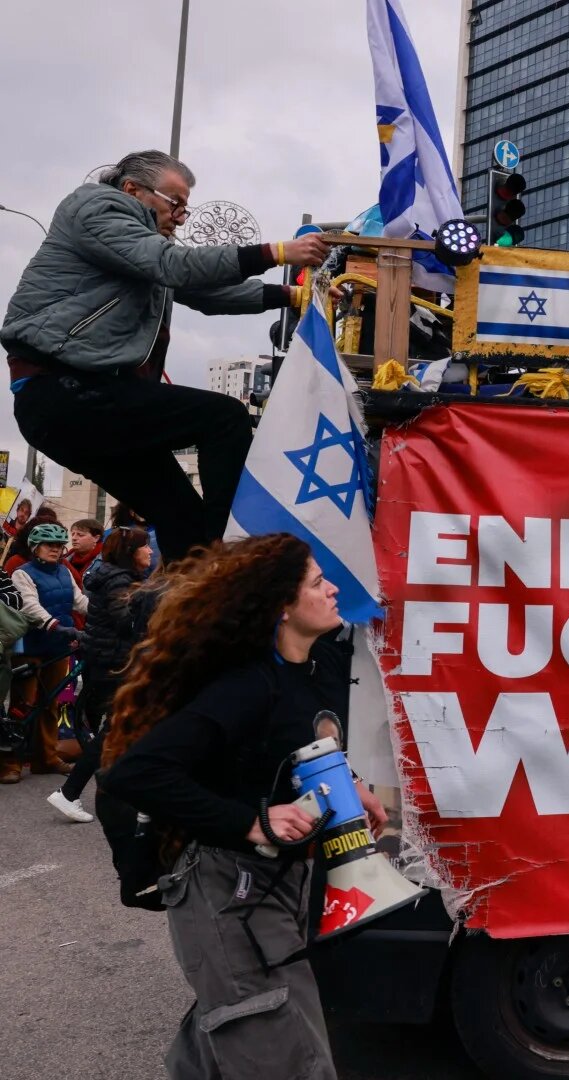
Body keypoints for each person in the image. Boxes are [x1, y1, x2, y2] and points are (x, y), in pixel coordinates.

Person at [100, 535, 381, 1079]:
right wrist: (252, 821)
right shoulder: (248, 686)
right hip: (227, 888)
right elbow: (136, 772)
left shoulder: (308, 669)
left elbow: (286, 756)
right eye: (317, 582)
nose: (332, 589)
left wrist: (353, 785)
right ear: (282, 604)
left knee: (239, 1039)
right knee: (287, 1058)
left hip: (274, 887)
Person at [1, 150, 329, 563]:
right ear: (132, 189)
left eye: (185, 208)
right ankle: (227, 558)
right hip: (65, 392)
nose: (179, 216)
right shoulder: (97, 207)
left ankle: (193, 602)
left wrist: (291, 295)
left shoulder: (144, 256)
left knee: (182, 518)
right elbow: (174, 266)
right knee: (223, 418)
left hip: (88, 400)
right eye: (175, 203)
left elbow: (206, 292)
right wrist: (277, 252)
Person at [45, 526, 150, 822]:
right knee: (116, 730)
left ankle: (76, 793)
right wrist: (152, 606)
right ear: (131, 552)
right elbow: (126, 623)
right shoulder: (120, 580)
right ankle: (69, 793)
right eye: (145, 547)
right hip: (114, 663)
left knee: (122, 730)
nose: (150, 551)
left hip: (109, 660)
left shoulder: (117, 576)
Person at [0, 523, 86, 784]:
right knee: (22, 706)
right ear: (36, 547)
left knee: (52, 704)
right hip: (31, 647)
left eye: (60, 546)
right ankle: (10, 763)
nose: (56, 550)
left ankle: (45, 758)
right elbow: (31, 607)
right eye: (51, 545)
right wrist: (56, 626)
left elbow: (79, 600)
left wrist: (102, 615)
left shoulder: (64, 571)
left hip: (58, 647)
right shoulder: (22, 573)